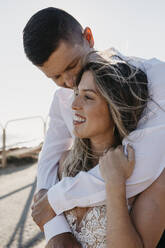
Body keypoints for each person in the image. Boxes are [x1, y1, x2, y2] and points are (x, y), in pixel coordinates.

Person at [23, 7, 165, 248]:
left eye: (72, 66)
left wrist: (57, 199)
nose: (69, 83)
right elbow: (48, 162)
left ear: (88, 37)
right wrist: (56, 231)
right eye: (56, 77)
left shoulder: (155, 76)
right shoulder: (62, 99)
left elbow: (143, 164)